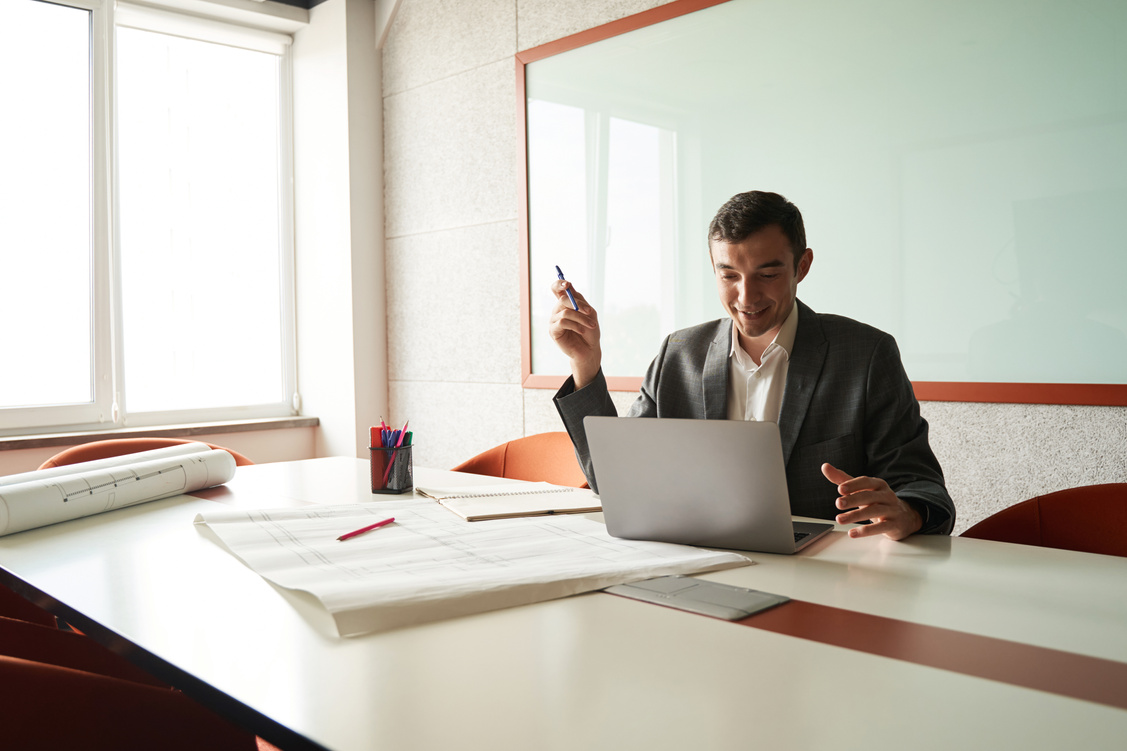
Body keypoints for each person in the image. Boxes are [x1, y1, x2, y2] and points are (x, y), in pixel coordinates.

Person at [549, 190, 954, 539]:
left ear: (802, 266)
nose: (746, 296)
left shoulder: (866, 355)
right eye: (729, 275)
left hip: (826, 577)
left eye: (768, 273)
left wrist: (908, 512)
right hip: (697, 564)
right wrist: (586, 363)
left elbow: (923, 487)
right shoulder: (679, 354)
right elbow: (618, 483)